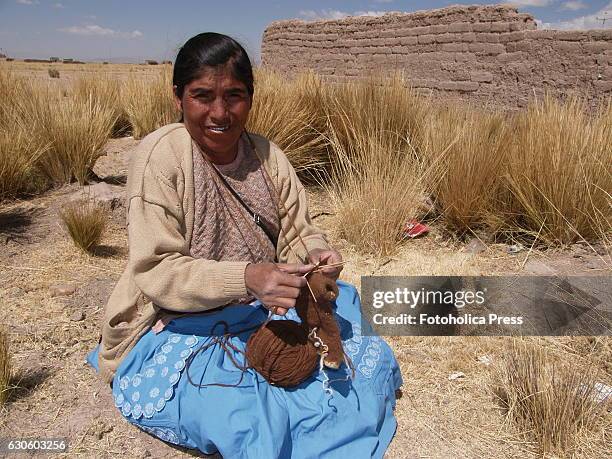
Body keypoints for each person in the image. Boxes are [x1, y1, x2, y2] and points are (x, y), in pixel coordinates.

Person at [87, 32, 402, 458]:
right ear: (178, 96)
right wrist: (247, 278)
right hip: (177, 323)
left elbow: (296, 231)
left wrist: (315, 254)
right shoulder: (161, 157)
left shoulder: (267, 156)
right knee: (244, 417)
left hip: (264, 305)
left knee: (356, 332)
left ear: (250, 98)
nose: (219, 112)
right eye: (202, 96)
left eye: (233, 95)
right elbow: (157, 270)